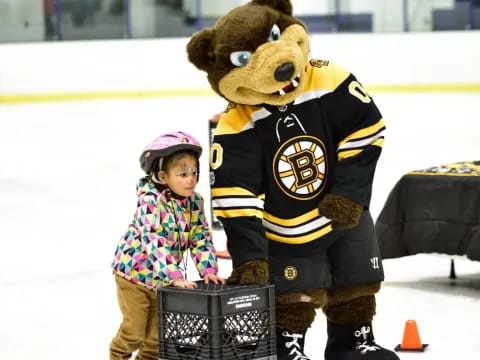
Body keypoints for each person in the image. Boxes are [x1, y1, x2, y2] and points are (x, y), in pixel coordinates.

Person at [109, 130, 225, 360]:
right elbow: (154, 239)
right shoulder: (150, 201)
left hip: (161, 282)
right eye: (182, 173)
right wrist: (173, 275)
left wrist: (208, 270)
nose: (191, 179)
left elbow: (200, 237)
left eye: (194, 172)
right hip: (133, 275)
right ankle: (117, 355)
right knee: (134, 332)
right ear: (163, 177)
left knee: (155, 339)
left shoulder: (194, 202)